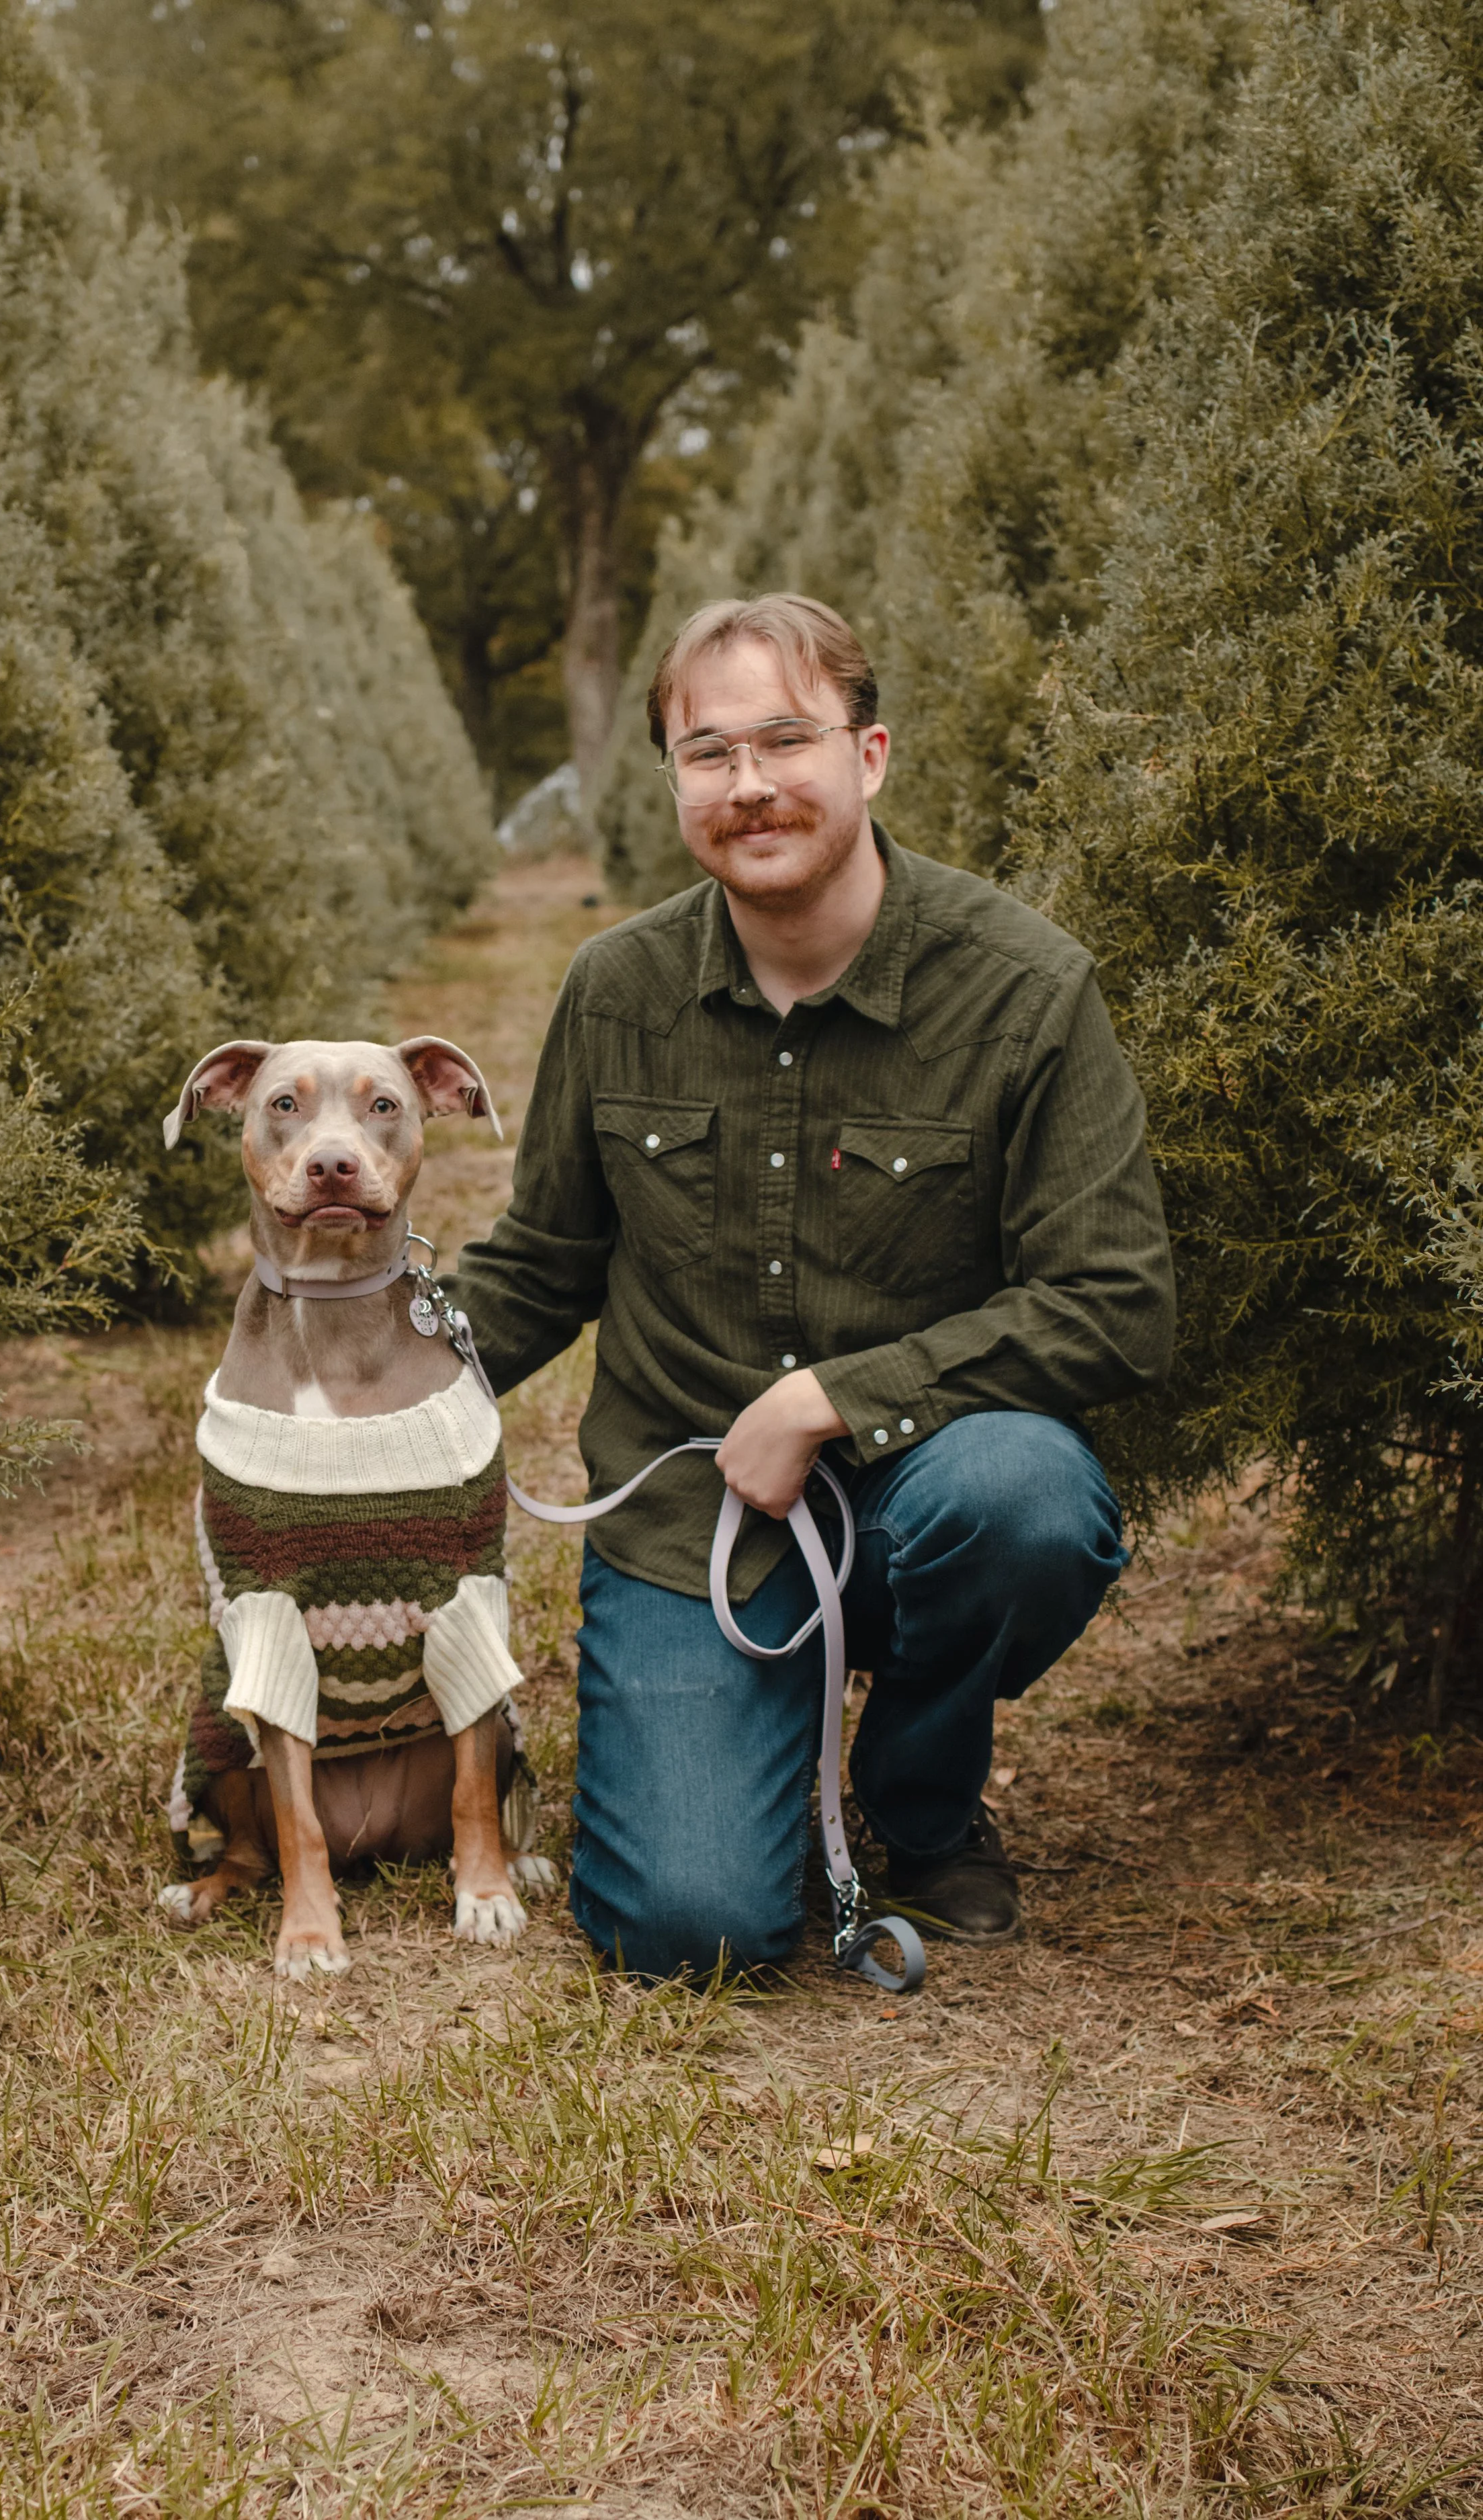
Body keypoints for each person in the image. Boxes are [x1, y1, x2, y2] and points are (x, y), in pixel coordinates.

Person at [445, 594, 1174, 1976]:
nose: (751, 785)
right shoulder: (616, 988)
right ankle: (748, 1752)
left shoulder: (1021, 989)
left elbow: (1114, 1298)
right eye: (706, 753)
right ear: (670, 782)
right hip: (691, 1516)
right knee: (692, 1930)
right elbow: (542, 1263)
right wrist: (352, 1401)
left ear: (871, 754)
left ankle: (920, 1796)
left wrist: (835, 1399)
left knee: (1021, 1497)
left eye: (786, 740)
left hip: (923, 1488)